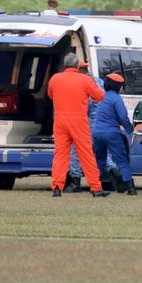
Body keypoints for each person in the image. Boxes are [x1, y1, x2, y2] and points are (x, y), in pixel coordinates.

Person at [47, 53, 109, 197]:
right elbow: (99, 96)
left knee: (60, 154)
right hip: (79, 121)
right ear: (77, 66)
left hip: (60, 120)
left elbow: (51, 95)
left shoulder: (55, 79)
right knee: (86, 154)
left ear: (64, 65)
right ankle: (95, 187)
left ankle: (57, 187)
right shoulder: (85, 80)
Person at [65, 61, 114, 193]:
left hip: (90, 124)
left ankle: (75, 182)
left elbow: (85, 105)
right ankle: (121, 179)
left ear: (79, 70)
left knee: (76, 150)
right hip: (105, 123)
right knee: (102, 152)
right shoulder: (98, 81)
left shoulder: (84, 82)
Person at [92, 73, 136, 195]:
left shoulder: (100, 96)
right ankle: (129, 186)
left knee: (99, 160)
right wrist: (130, 130)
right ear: (118, 86)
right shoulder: (116, 98)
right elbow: (123, 117)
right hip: (111, 132)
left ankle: (96, 186)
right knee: (121, 159)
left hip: (97, 132)